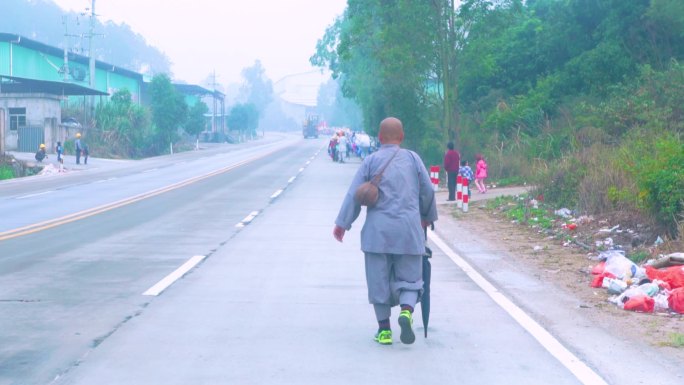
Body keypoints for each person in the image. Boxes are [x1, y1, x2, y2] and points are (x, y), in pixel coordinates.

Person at [333, 117, 438, 346]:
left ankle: (384, 331)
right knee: (410, 279)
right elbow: (428, 190)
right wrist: (427, 217)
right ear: (401, 137)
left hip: (377, 234)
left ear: (379, 138)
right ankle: (406, 312)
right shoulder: (413, 159)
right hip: (409, 231)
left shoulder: (370, 161)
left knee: (378, 281)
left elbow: (354, 194)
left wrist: (343, 224)